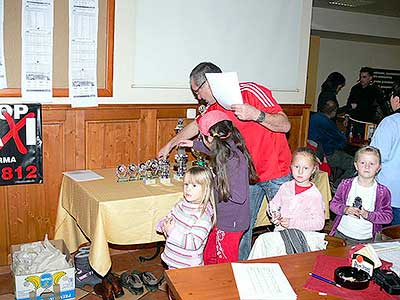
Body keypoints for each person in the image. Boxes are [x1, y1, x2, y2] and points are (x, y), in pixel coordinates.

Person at [158, 62, 292, 260]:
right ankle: (237, 275)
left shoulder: (250, 91)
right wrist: (170, 145)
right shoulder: (213, 107)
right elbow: (196, 126)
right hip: (246, 175)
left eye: (198, 91)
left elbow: (285, 125)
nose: (198, 97)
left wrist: (256, 114)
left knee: (287, 228)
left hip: (275, 171)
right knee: (242, 230)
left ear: (209, 82)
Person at [178, 110, 257, 264]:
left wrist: (213, 180)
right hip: (220, 218)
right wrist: (194, 144)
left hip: (231, 223)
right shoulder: (225, 147)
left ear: (211, 138)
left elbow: (240, 196)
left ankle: (226, 286)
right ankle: (212, 282)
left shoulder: (235, 160)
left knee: (225, 262)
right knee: (209, 256)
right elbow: (213, 150)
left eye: (202, 137)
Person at [329, 146, 393, 246]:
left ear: (378, 168)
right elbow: (333, 204)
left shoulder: (382, 192)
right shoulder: (345, 184)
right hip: (340, 235)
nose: (367, 166)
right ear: (356, 165)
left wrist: (368, 215)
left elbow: (388, 217)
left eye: (372, 163)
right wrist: (345, 209)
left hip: (365, 239)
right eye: (363, 163)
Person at [156, 166, 216, 269]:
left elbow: (194, 243)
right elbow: (170, 217)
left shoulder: (203, 217)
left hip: (188, 266)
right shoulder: (181, 204)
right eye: (186, 184)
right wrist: (163, 224)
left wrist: (171, 232)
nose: (188, 188)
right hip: (173, 259)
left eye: (194, 185)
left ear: (206, 189)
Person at [268, 147, 325, 232]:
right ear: (291, 166)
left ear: (313, 170)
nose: (300, 172)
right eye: (297, 166)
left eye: (305, 168)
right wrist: (275, 214)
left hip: (302, 236)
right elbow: (273, 205)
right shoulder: (285, 187)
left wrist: (292, 223)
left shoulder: (314, 195)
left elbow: (319, 223)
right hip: (281, 231)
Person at [370, 79, 400, 225]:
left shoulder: (390, 122)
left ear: (396, 99)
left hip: (390, 193)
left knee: (386, 239)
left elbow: (376, 157)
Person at [308, 99, 355, 188]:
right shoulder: (327, 122)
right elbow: (342, 140)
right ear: (334, 112)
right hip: (327, 154)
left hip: (313, 152)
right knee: (355, 164)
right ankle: (337, 186)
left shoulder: (313, 117)